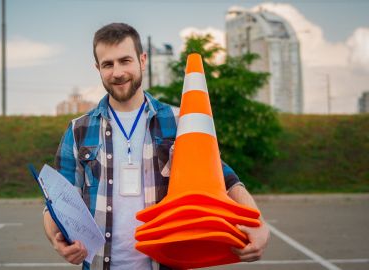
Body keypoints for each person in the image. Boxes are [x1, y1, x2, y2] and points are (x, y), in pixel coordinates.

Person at [43, 22, 270, 270]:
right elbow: (57, 202)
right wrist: (56, 239)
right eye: (108, 64)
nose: (117, 72)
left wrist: (258, 224)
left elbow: (226, 180)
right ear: (98, 68)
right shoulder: (78, 129)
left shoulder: (179, 121)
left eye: (125, 60)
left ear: (142, 60)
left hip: (164, 264)